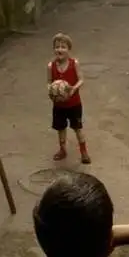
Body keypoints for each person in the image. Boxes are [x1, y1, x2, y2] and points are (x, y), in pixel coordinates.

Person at [48, 33, 91, 164]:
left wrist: (73, 88)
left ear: (68, 49)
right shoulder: (51, 66)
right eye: (57, 47)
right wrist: (52, 90)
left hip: (74, 104)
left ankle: (84, 152)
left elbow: (81, 79)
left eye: (63, 47)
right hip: (59, 105)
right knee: (61, 128)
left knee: (78, 128)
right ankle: (62, 149)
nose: (59, 49)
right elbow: (49, 82)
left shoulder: (74, 63)